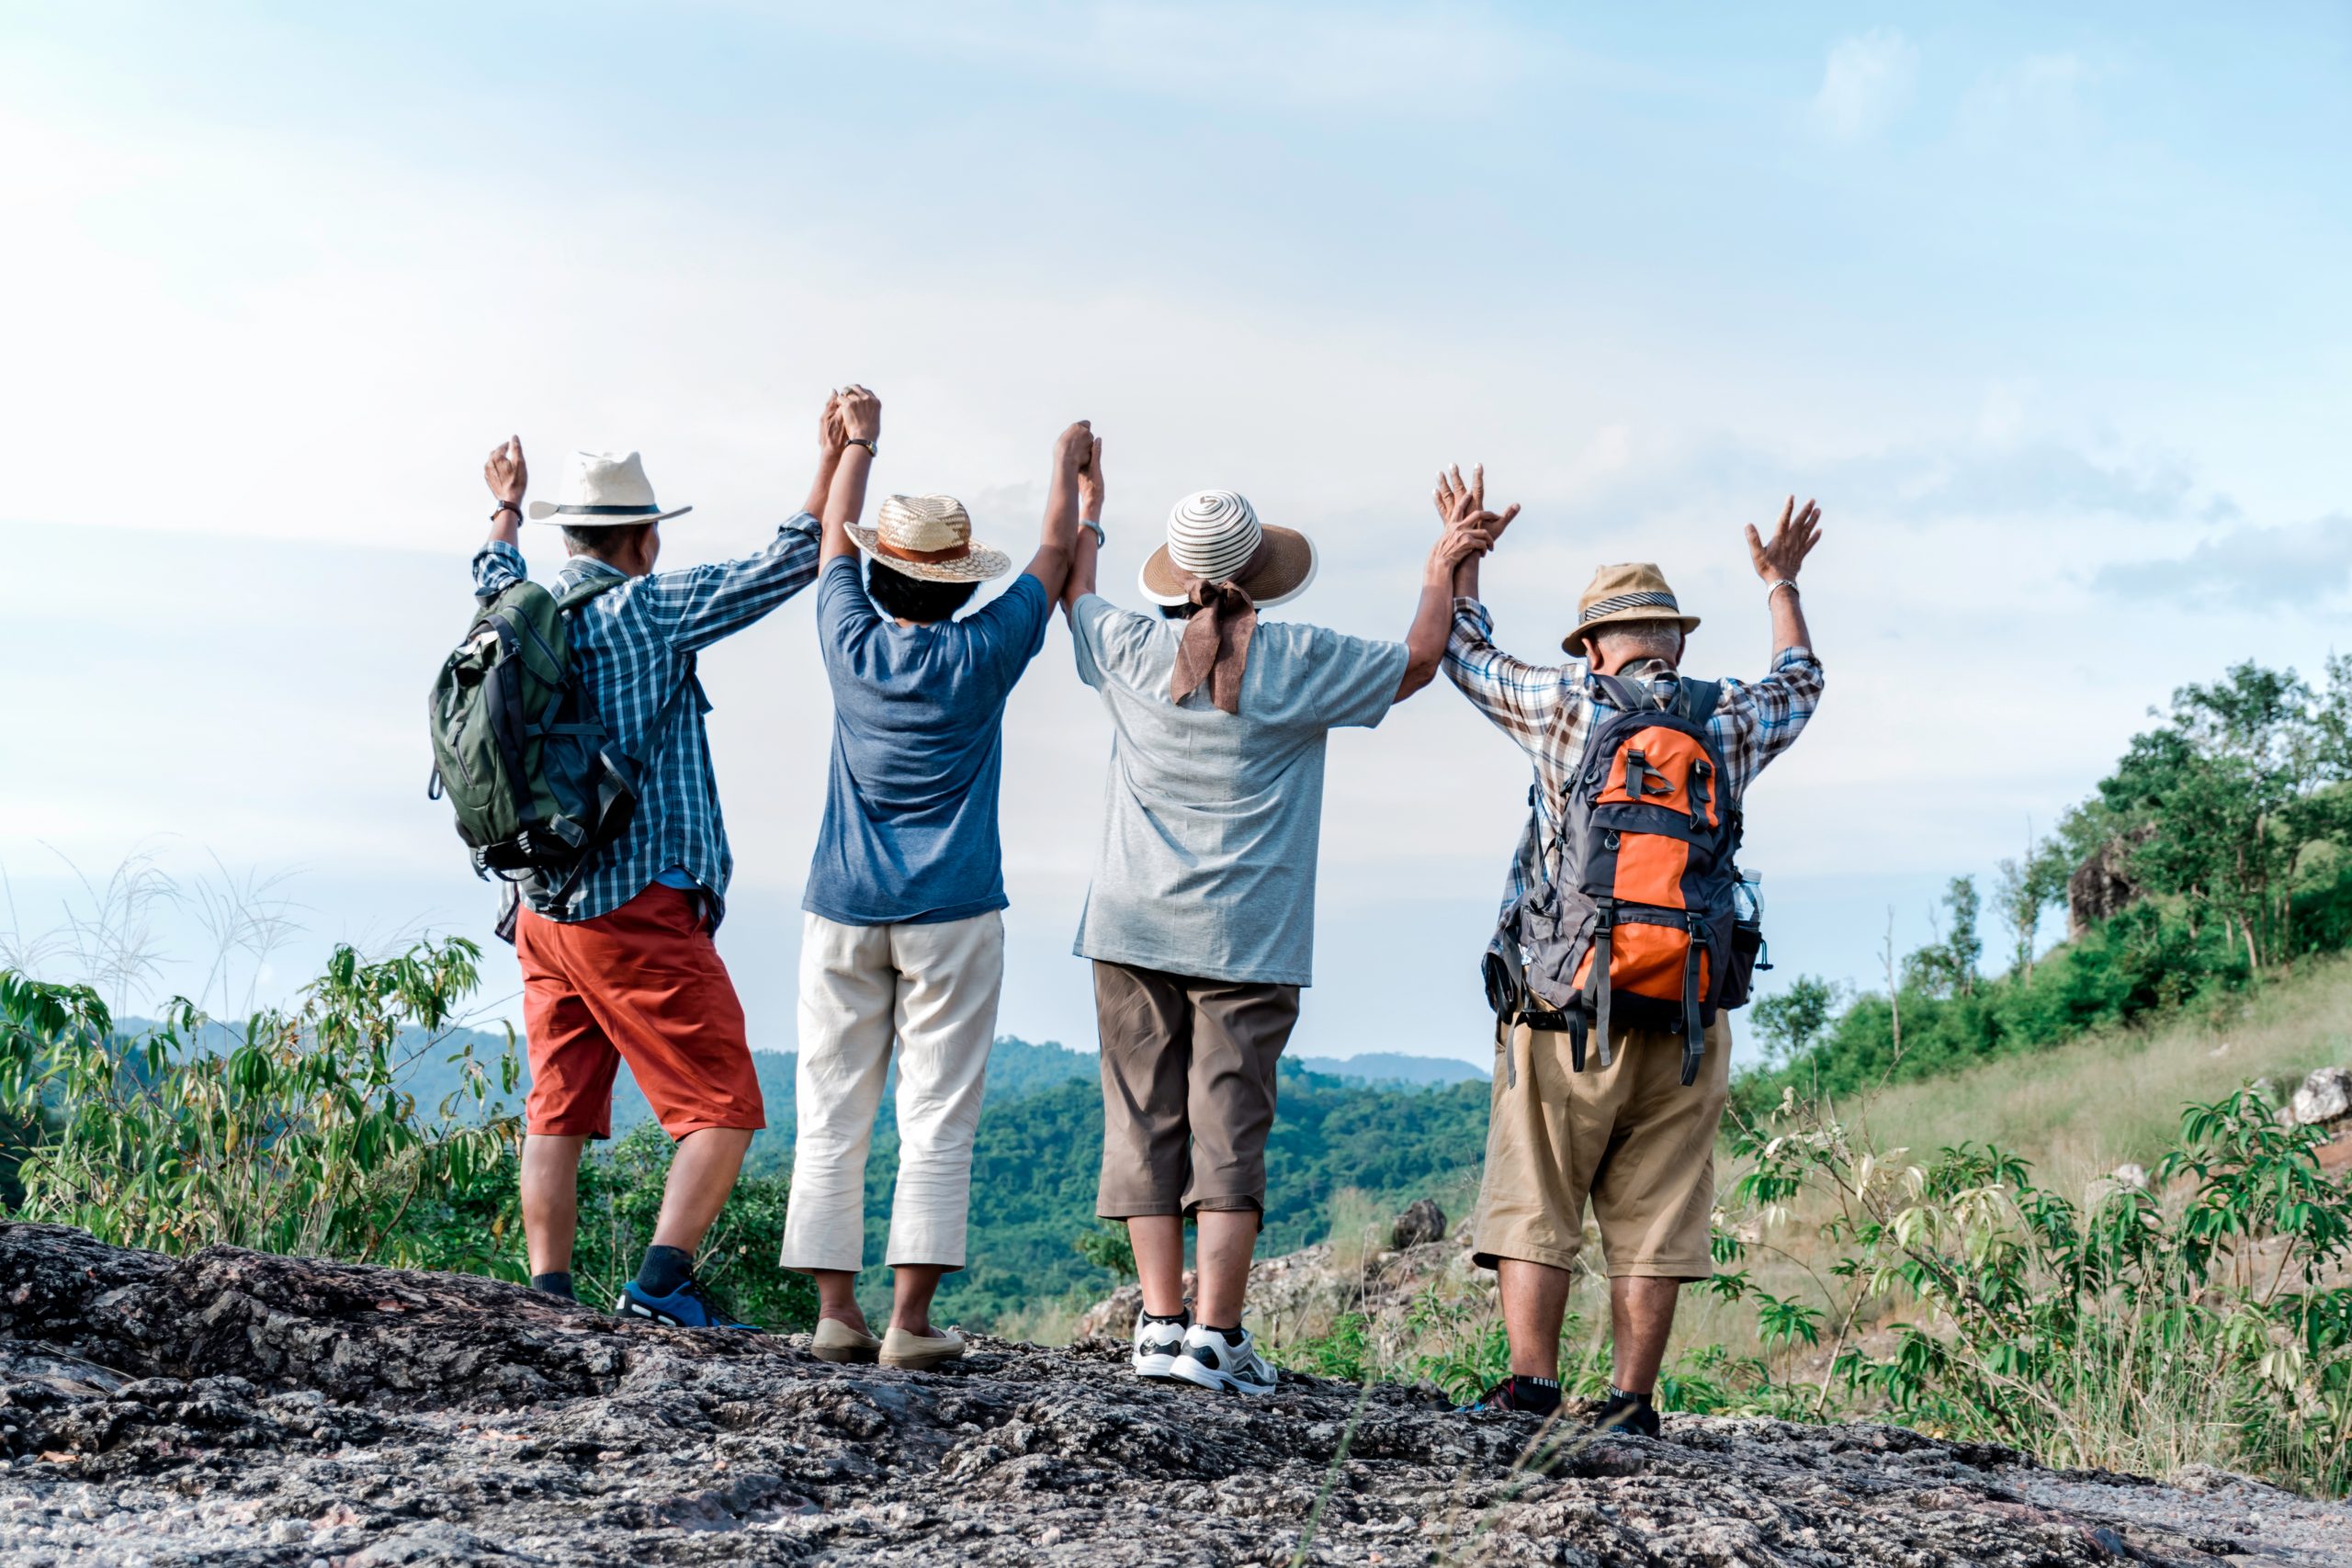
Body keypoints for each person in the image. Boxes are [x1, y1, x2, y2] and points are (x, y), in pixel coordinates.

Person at [1059, 441, 1495, 1394]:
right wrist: (1442, 565)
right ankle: (1214, 1338)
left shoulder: (1128, 650)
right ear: (1257, 577)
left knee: (1141, 1123)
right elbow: (1421, 659)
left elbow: (1072, 593)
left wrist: (1087, 506)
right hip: (1246, 936)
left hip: (1129, 926)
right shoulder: (1296, 660)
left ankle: (1157, 1325)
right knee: (1227, 1127)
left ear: (1175, 578)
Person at [1439, 467, 1826, 1432]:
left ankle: (1531, 1386)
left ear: (1594, 642)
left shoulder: (1563, 704)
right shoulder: (1727, 717)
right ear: (1675, 637)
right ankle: (1630, 1402)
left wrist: (1466, 557)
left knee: (1538, 1188)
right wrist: (1780, 582)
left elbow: (1463, 649)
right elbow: (1802, 681)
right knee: (1656, 1210)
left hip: (1566, 1001)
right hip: (1690, 1010)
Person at [472, 399, 848, 1328]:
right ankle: (658, 1286)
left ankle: (549, 1296)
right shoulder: (650, 611)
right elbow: (790, 560)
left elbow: (490, 567)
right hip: (633, 906)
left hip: (538, 908)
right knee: (723, 1105)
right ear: (641, 537)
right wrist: (842, 456)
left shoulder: (513, 608)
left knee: (556, 1110)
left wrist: (506, 509)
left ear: (571, 535)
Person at [781, 390, 1086, 1371]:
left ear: (881, 571)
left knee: (832, 1107)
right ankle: (909, 1323)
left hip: (842, 905)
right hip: (954, 908)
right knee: (936, 1112)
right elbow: (1052, 555)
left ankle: (836, 1315)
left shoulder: (847, 637)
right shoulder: (986, 651)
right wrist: (1072, 479)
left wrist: (855, 445)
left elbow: (831, 532)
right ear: (959, 587)